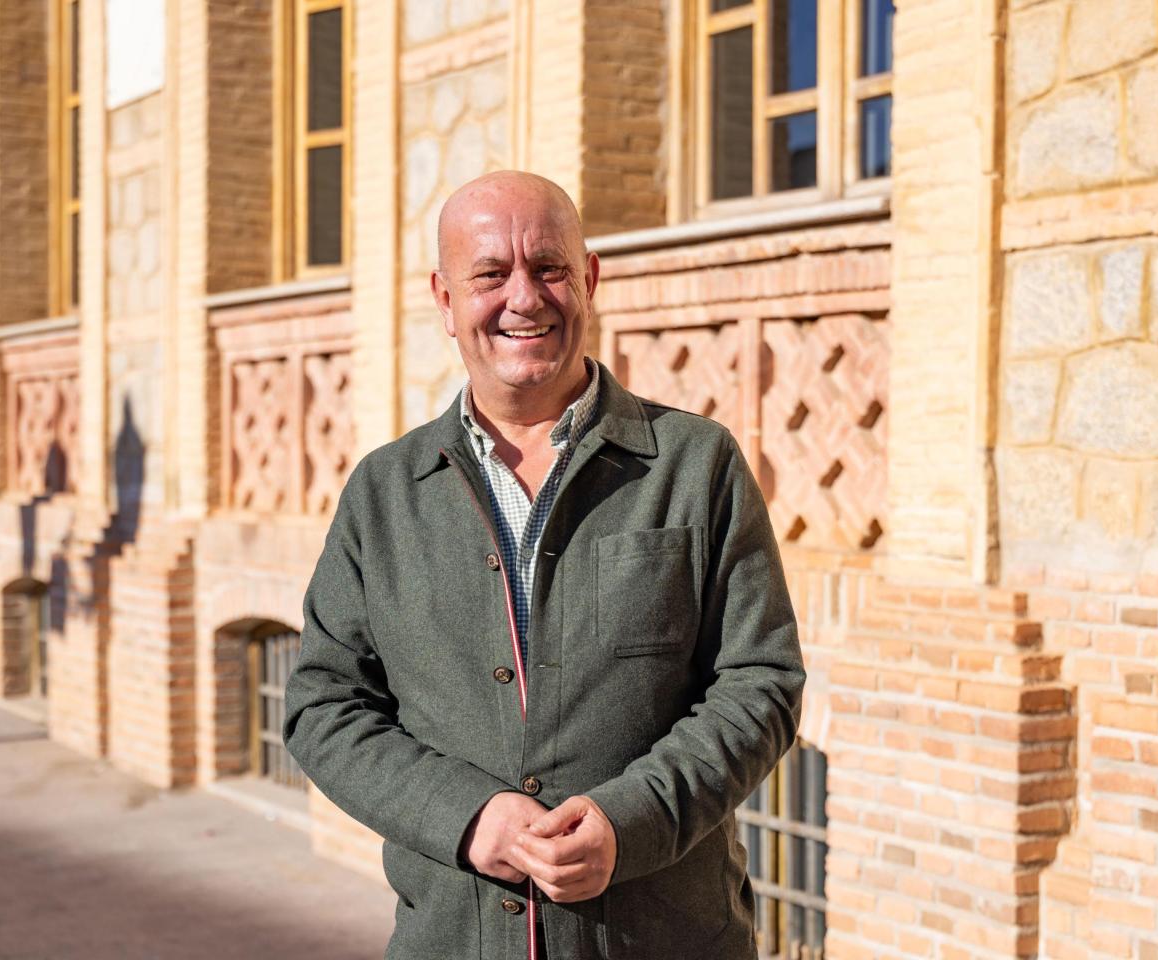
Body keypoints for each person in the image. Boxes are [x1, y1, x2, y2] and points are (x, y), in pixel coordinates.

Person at [283, 171, 805, 960]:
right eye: (490, 274)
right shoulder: (383, 494)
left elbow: (760, 681)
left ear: (588, 278)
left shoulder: (695, 465)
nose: (524, 298)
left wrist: (632, 822)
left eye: (549, 267)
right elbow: (324, 706)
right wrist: (466, 817)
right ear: (445, 299)